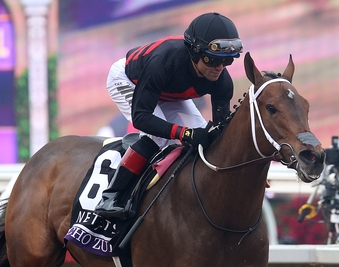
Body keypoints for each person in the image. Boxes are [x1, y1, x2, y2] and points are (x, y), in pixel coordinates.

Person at [94, 12, 243, 220]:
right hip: (129, 79)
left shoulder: (221, 80)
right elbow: (141, 118)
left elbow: (221, 132)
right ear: (195, 52)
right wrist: (183, 132)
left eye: (227, 61)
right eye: (213, 59)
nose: (219, 68)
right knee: (158, 136)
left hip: (166, 90)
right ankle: (111, 197)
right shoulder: (161, 62)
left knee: (206, 138)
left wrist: (242, 170)